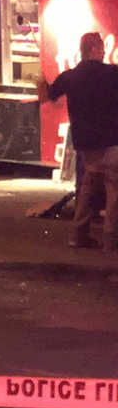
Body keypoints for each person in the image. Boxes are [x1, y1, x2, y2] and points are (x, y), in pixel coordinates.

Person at [39, 32, 118, 250]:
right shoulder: (112, 73)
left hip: (84, 146)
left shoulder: (69, 77)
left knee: (87, 188)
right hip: (111, 144)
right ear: (95, 49)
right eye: (101, 49)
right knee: (114, 190)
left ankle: (78, 234)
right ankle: (111, 239)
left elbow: (48, 95)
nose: (103, 53)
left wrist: (43, 84)